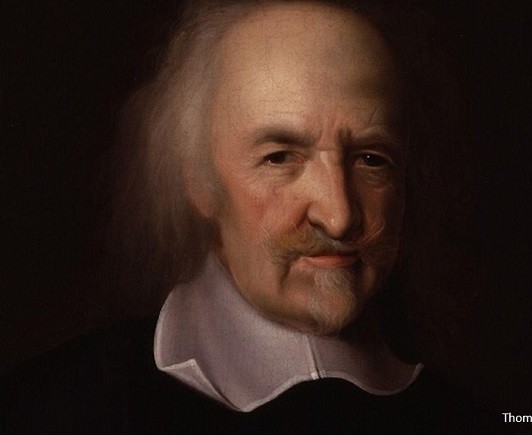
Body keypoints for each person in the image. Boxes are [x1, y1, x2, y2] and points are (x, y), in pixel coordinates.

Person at [2, 0, 497, 432]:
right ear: (201, 183)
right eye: (280, 158)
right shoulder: (59, 406)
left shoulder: (460, 418)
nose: (339, 217)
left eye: (371, 159)